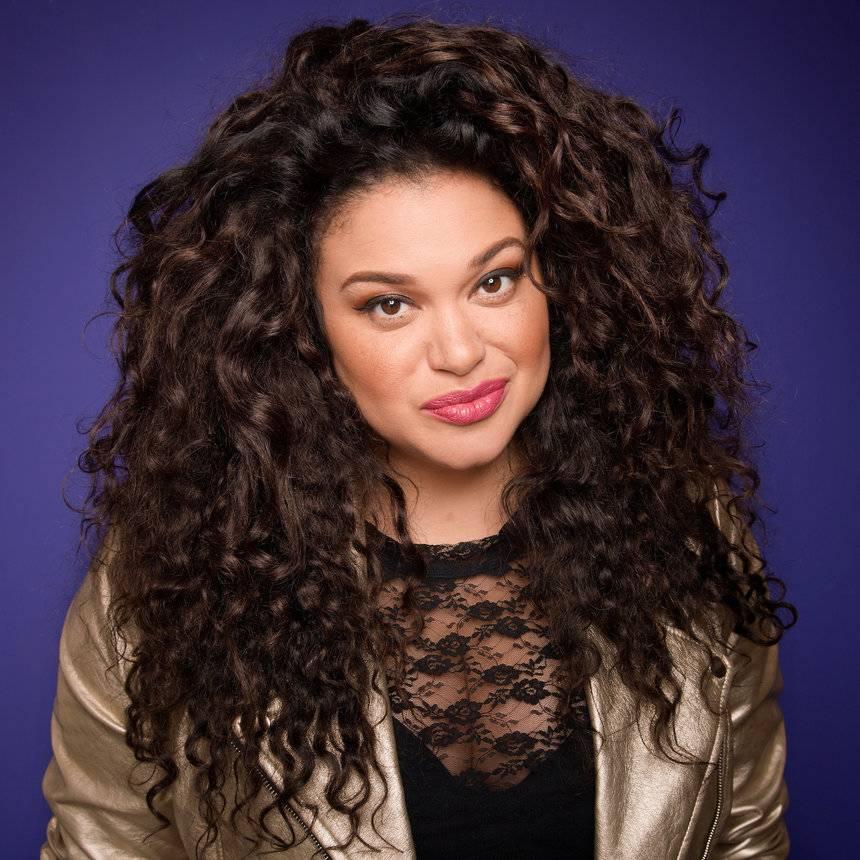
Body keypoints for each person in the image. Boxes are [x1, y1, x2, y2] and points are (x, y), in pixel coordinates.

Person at [40, 14, 797, 860]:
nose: (464, 352)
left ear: (563, 282)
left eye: (495, 280)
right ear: (299, 329)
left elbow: (746, 837)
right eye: (388, 304)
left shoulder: (688, 530)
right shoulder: (164, 583)